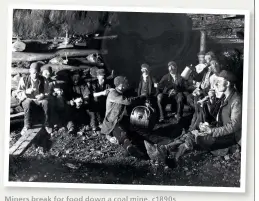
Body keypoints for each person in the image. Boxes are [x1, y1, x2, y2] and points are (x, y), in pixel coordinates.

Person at [148, 70, 242, 163]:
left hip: (228, 138)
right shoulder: (224, 97)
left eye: (219, 81)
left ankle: (171, 158)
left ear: (228, 83)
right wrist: (210, 103)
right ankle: (165, 150)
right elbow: (215, 115)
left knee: (193, 138)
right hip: (219, 131)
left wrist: (212, 131)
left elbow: (234, 126)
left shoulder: (236, 100)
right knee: (190, 134)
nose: (216, 84)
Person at [101, 76, 146, 158]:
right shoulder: (113, 94)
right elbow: (128, 101)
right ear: (121, 85)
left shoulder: (119, 92)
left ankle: (129, 147)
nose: (127, 85)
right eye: (126, 83)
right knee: (121, 133)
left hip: (120, 120)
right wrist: (141, 97)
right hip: (112, 122)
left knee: (133, 133)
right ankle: (129, 148)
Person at [16, 62, 53, 135]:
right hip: (28, 99)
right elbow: (18, 93)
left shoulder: (43, 79)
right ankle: (26, 125)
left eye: (37, 73)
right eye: (33, 73)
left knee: (46, 102)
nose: (35, 75)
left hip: (39, 100)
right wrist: (26, 92)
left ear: (39, 72)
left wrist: (43, 95)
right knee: (27, 103)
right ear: (30, 71)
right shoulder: (23, 79)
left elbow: (48, 92)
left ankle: (47, 124)